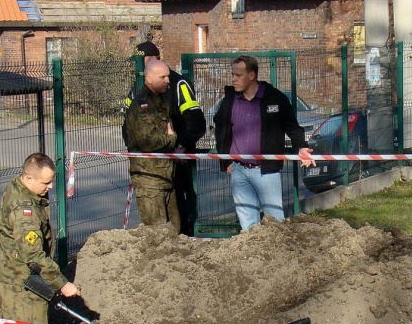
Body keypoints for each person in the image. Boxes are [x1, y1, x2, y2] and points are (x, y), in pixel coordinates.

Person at [0, 153, 80, 324]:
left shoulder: (21, 187)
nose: (50, 187)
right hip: (20, 273)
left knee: (12, 323)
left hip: (7, 265)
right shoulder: (24, 211)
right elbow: (34, 255)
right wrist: (62, 283)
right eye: (45, 182)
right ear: (29, 178)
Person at [213, 55, 315, 230]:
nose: (234, 79)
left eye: (238, 75)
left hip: (267, 172)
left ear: (251, 75)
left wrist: (301, 147)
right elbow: (220, 127)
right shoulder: (230, 100)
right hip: (239, 171)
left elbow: (292, 127)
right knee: (248, 227)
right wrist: (226, 160)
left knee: (275, 223)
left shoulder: (275, 98)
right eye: (232, 75)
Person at [124, 41, 206, 236]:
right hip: (151, 171)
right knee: (158, 229)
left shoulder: (178, 84)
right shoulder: (138, 89)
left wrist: (181, 145)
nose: (136, 65)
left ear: (153, 59)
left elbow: (195, 121)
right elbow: (128, 127)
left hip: (177, 164)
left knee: (180, 221)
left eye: (141, 60)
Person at [123, 59, 180, 228]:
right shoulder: (142, 105)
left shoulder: (160, 100)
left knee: (174, 230)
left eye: (168, 76)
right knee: (157, 233)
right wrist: (172, 139)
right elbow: (147, 141)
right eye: (162, 77)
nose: (167, 80)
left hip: (165, 176)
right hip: (150, 180)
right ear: (148, 78)